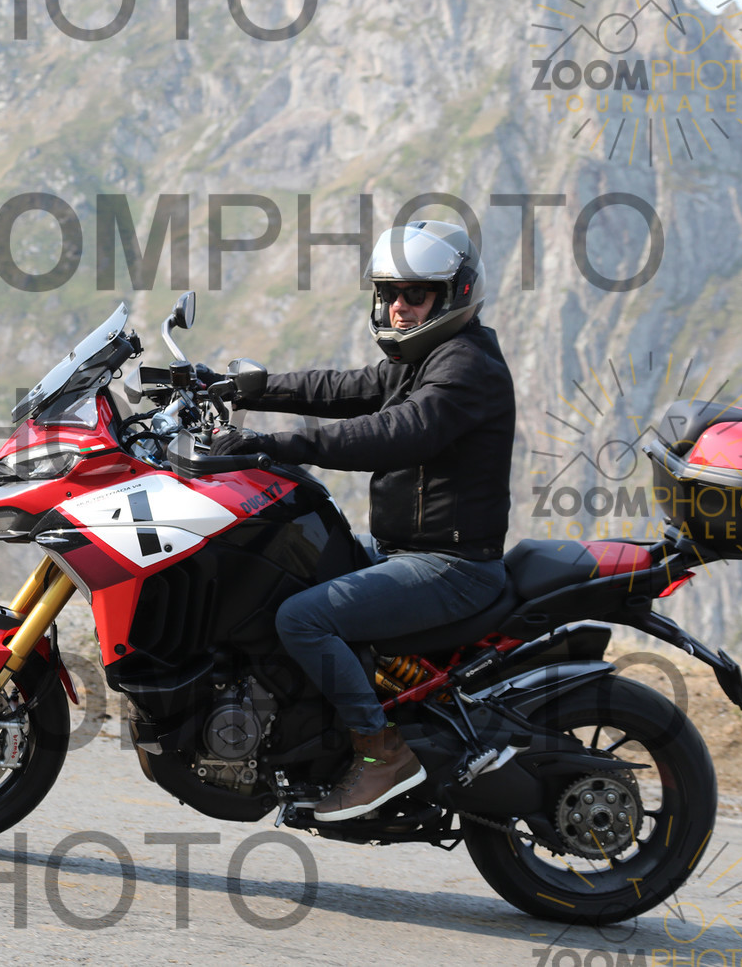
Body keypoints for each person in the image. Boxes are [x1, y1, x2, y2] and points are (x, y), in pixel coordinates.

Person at [210, 220, 516, 821]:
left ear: (455, 294)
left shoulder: (466, 366)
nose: (399, 307)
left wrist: (272, 445)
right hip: (403, 549)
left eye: (415, 294)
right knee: (285, 569)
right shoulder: (422, 358)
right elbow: (344, 388)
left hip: (452, 566)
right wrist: (238, 388)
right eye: (390, 293)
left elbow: (397, 432)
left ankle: (381, 753)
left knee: (302, 618)